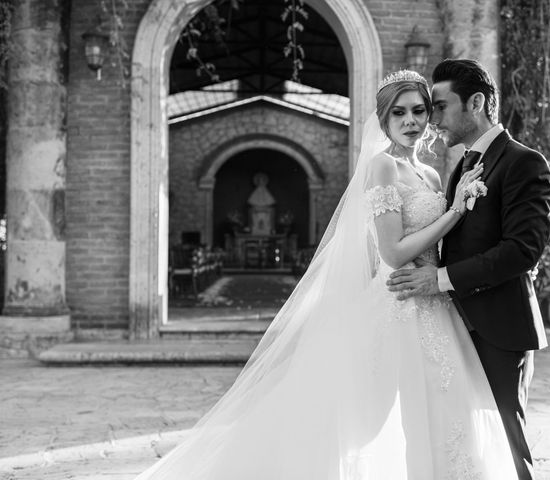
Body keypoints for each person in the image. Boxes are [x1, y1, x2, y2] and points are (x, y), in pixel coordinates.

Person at [133, 70, 518, 480]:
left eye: (419, 111)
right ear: (383, 121)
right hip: (398, 305)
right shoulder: (381, 167)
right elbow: (391, 252)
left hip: (435, 304)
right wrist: (457, 209)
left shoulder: (434, 174)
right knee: (358, 421)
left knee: (444, 411)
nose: (410, 121)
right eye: (398, 113)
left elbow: (438, 246)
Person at [387, 59, 550, 480]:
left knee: (506, 441)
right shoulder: (461, 167)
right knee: (470, 444)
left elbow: (523, 250)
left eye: (440, 107)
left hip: (498, 327)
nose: (432, 119)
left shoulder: (523, 162)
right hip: (452, 326)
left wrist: (438, 279)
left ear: (476, 103)